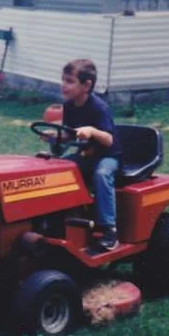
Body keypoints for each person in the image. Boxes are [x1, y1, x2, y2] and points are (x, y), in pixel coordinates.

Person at [59, 59, 123, 251]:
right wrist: (55, 136)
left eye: (70, 81)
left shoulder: (98, 107)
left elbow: (109, 140)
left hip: (108, 156)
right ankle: (66, 218)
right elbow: (70, 133)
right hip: (86, 155)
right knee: (57, 168)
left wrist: (92, 131)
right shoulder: (69, 106)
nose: (64, 85)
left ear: (86, 85)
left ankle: (109, 229)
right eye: (63, 80)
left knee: (101, 174)